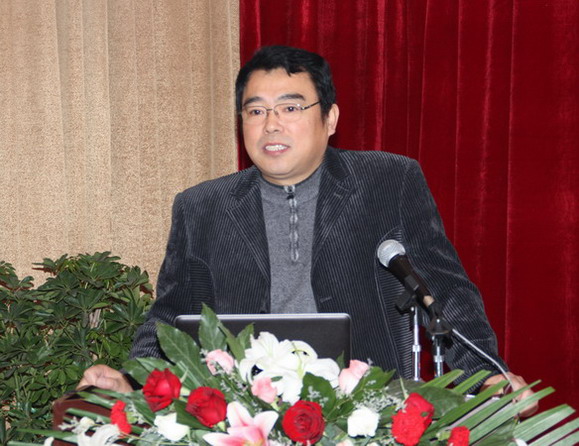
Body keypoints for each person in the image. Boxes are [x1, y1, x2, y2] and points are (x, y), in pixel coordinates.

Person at [79, 45, 536, 415]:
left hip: (370, 410)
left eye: (290, 107)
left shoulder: (388, 181)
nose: (271, 124)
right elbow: (171, 318)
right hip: (245, 415)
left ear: (330, 118)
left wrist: (487, 374)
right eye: (255, 111)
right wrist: (131, 381)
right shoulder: (202, 207)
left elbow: (443, 290)